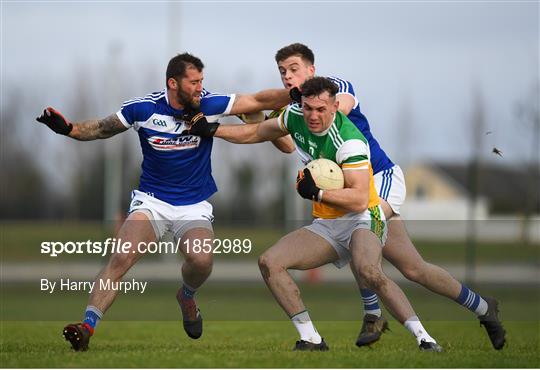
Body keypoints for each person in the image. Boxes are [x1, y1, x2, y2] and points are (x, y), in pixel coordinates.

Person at [35, 53, 293, 352]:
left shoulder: (209, 104)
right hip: (152, 202)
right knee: (120, 259)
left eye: (201, 81)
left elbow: (259, 100)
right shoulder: (143, 109)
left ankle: (186, 296)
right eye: (194, 82)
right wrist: (69, 129)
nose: (200, 88)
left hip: (193, 204)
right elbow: (102, 128)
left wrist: (296, 93)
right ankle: (87, 326)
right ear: (173, 83)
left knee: (202, 261)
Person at [267, 43, 505, 350]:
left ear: (311, 69)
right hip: (350, 194)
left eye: (294, 68)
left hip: (379, 181)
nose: (287, 76)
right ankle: (484, 307)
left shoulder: (334, 92)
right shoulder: (301, 112)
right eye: (282, 71)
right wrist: (264, 123)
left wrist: (289, 112)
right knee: (414, 268)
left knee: (358, 233)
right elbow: (287, 144)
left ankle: (374, 313)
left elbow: (342, 108)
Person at [191, 76, 443, 352]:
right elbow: (258, 132)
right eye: (308, 107)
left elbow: (359, 199)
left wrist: (318, 193)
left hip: (364, 218)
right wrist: (213, 130)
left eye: (321, 109)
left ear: (335, 107)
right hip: (329, 223)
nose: (312, 115)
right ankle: (311, 338)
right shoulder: (295, 115)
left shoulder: (350, 142)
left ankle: (424, 338)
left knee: (368, 271)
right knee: (270, 262)